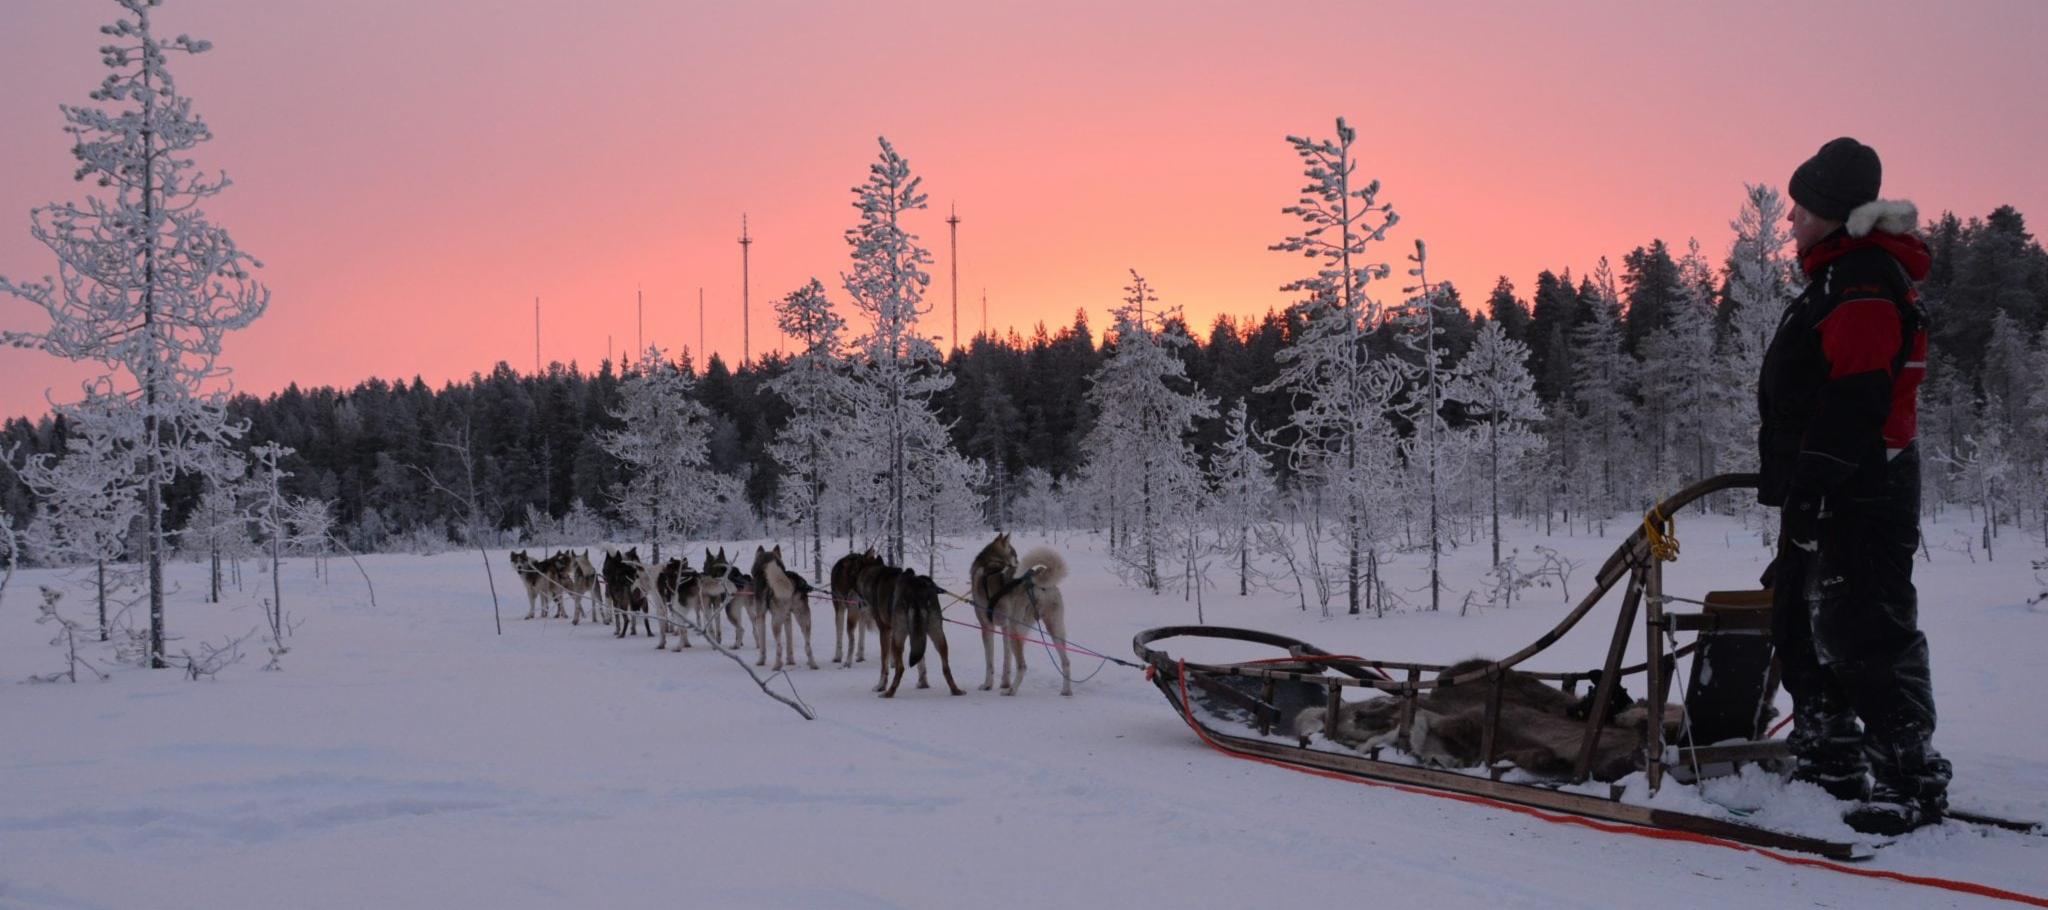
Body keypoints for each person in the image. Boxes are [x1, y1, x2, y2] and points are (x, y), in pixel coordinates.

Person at [1758, 137, 1950, 836]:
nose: (1789, 221)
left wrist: (1815, 485)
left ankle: (1908, 775)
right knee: (1798, 621)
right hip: (1828, 483)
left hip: (1863, 485)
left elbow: (1856, 399)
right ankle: (1829, 756)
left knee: (1862, 627)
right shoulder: (1836, 278)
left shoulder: (1864, 280)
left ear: (1835, 214)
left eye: (1800, 208)